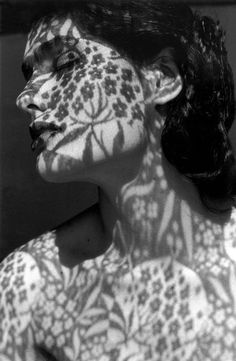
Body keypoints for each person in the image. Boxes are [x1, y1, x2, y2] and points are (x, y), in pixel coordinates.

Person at [0, 1, 236, 360]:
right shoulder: (29, 284)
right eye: (29, 75)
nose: (27, 98)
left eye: (65, 63)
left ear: (161, 79)